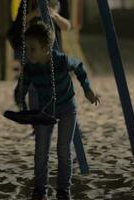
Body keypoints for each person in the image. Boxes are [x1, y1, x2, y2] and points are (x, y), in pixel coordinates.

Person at [14, 23, 100, 200]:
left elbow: (79, 67)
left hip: (67, 108)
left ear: (46, 48)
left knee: (63, 149)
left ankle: (63, 190)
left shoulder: (61, 61)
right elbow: (21, 88)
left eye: (32, 49)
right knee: (41, 151)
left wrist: (87, 89)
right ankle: (40, 189)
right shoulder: (30, 67)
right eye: (27, 48)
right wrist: (21, 104)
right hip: (45, 111)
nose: (28, 53)